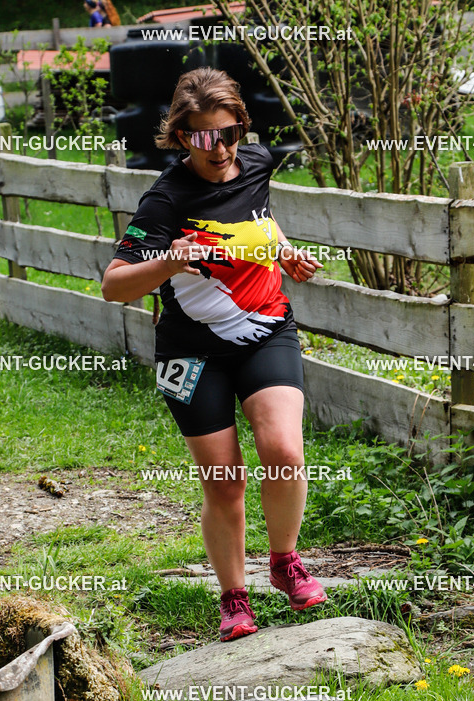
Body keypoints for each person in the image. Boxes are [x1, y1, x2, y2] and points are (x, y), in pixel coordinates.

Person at [102, 67, 326, 642]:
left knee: (283, 451)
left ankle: (284, 561)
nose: (220, 149)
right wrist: (170, 261)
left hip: (266, 328)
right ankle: (233, 597)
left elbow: (257, 222)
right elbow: (114, 285)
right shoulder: (165, 199)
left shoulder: (254, 164)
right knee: (224, 480)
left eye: (229, 134)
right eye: (204, 137)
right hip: (192, 350)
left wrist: (284, 254)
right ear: (181, 137)